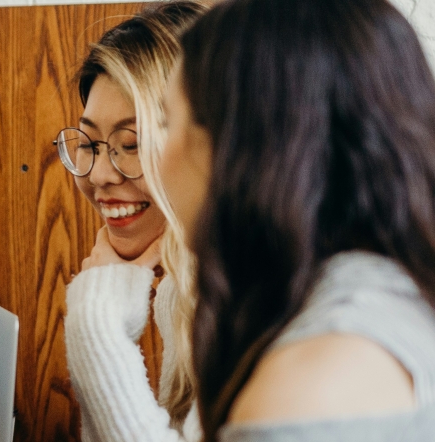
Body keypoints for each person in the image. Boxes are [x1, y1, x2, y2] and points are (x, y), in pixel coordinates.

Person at [161, 0, 435, 440]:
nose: (160, 157)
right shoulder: (392, 296)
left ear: (240, 149)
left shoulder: (314, 379)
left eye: (166, 121)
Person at [59, 2, 207, 441]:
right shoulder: (183, 291)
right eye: (89, 143)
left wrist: (95, 324)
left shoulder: (263, 296)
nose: (100, 175)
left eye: (132, 143)